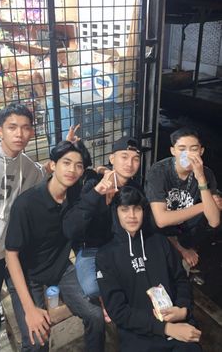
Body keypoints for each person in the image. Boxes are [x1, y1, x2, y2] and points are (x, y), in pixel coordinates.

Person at [5, 140, 105, 352]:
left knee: (95, 316)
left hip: (60, 267)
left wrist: (102, 171)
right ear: (53, 165)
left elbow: (94, 178)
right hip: (27, 273)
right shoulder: (27, 204)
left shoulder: (76, 193)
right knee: (36, 339)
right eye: (66, 162)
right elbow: (11, 254)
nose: (72, 170)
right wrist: (30, 309)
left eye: (78, 165)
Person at [96, 186, 203, 352]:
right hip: (138, 336)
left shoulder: (159, 241)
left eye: (137, 209)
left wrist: (183, 310)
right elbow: (118, 311)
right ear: (115, 213)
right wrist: (165, 328)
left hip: (177, 323)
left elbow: (181, 279)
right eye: (124, 209)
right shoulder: (105, 256)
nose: (131, 216)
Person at [0, 103, 45, 352]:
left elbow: (46, 182)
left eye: (25, 128)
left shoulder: (31, 171)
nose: (19, 134)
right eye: (12, 127)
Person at [63, 136, 144, 304]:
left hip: (122, 248)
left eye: (135, 159)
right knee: (92, 287)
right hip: (92, 250)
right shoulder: (94, 183)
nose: (130, 163)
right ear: (112, 158)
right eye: (124, 157)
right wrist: (97, 193)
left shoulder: (136, 189)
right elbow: (72, 229)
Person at [145, 127, 221, 268]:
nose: (188, 154)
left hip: (184, 227)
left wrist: (201, 179)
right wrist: (204, 205)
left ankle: (185, 246)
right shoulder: (159, 171)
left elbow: (214, 221)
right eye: (182, 149)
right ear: (173, 151)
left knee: (211, 216)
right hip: (161, 230)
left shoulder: (207, 174)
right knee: (153, 216)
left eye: (193, 149)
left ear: (201, 151)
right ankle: (177, 246)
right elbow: (161, 220)